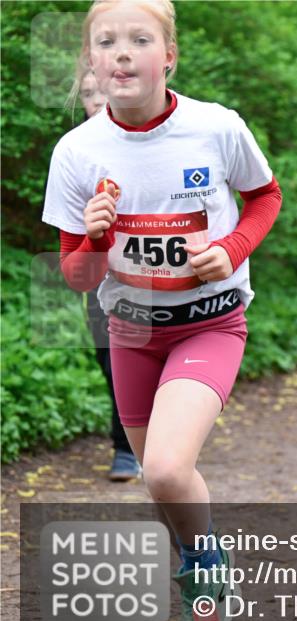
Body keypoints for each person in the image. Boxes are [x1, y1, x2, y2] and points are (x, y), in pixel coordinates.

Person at [43, 1, 283, 621]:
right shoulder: (78, 153)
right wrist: (95, 235)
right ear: (91, 62)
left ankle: (206, 599)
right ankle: (200, 577)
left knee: (169, 467)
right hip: (132, 332)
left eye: (139, 39)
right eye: (106, 42)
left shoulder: (216, 128)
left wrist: (232, 247)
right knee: (161, 484)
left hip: (210, 323)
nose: (122, 52)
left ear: (168, 56)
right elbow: (77, 277)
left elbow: (266, 197)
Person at [72, 64, 141, 481]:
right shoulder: (73, 151)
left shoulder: (142, 139)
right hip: (98, 273)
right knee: (106, 358)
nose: (95, 100)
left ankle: (126, 449)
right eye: (86, 94)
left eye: (100, 91)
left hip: (145, 268)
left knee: (128, 358)